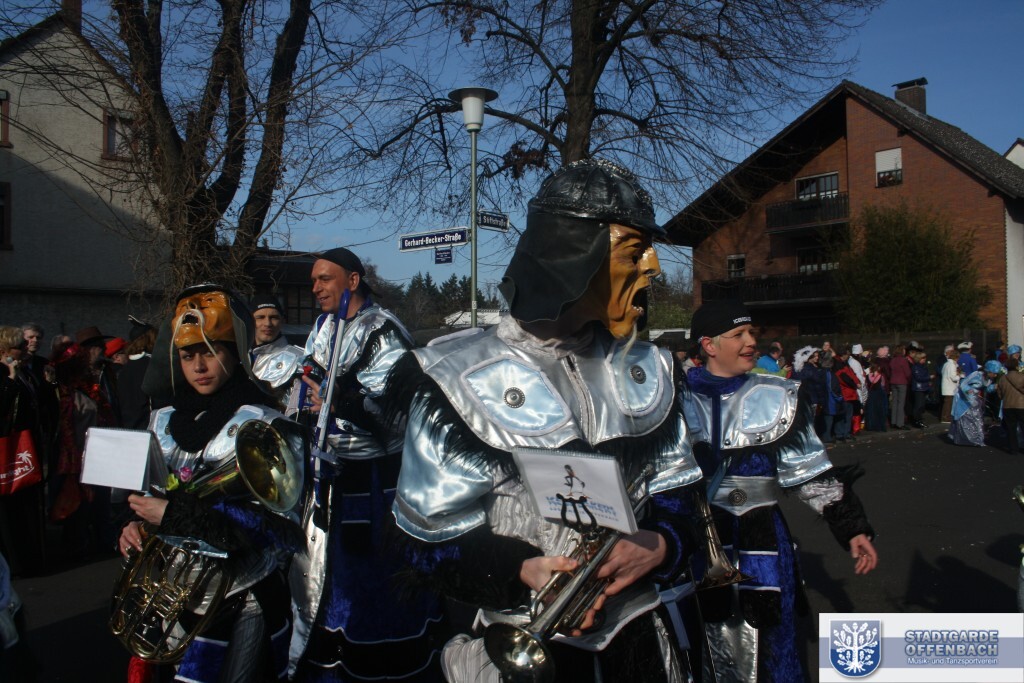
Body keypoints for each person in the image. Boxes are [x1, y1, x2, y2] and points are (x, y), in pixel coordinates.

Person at [385, 159, 703, 682]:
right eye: (633, 251)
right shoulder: (453, 377)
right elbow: (428, 539)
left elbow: (682, 500)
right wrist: (519, 570)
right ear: (572, 257)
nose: (652, 269)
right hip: (524, 652)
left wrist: (660, 544)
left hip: (641, 644)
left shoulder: (653, 369)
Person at [680, 300, 877, 683]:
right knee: (702, 641)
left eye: (751, 332)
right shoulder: (675, 399)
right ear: (708, 344)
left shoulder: (778, 397)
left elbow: (810, 472)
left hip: (764, 542)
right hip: (698, 543)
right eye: (738, 334)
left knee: (773, 644)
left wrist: (852, 527)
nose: (751, 341)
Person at [119, 284, 301, 681]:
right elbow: (152, 495)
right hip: (171, 596)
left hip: (243, 596)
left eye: (211, 352)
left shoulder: (264, 423)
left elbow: (280, 529)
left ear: (234, 353)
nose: (199, 366)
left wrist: (174, 515)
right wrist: (136, 525)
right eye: (188, 355)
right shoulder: (162, 420)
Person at [288, 248, 445, 682]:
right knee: (326, 578)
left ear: (353, 281)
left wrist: (340, 400)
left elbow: (399, 412)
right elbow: (308, 383)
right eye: (313, 280)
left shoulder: (383, 330)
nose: (315, 288)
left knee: (372, 578)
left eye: (325, 279)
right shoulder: (323, 326)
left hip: (375, 482)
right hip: (328, 474)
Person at [0, 326, 47, 577]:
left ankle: (31, 559)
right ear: (5, 350)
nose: (25, 349)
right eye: (19, 346)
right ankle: (16, 564)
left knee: (25, 504)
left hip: (25, 447)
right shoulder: (7, 374)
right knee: (10, 510)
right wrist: (9, 379)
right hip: (8, 449)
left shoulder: (24, 372)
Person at [249, 297, 304, 403]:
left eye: (274, 317)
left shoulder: (300, 359)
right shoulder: (238, 357)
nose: (267, 323)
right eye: (260, 317)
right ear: (250, 321)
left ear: (282, 320)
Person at [997, 359, 1024, 454]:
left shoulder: (1002, 378)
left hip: (1007, 406)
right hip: (1021, 405)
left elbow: (1000, 395)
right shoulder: (1022, 377)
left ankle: (1013, 449)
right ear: (1017, 366)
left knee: (1011, 428)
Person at [888, 344, 912, 430]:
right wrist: (909, 380)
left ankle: (893, 421)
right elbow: (908, 373)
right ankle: (900, 423)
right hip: (902, 382)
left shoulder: (892, 360)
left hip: (893, 382)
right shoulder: (903, 360)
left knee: (894, 402)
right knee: (901, 403)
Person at [909, 349, 932, 429]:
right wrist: (929, 377)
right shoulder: (916, 367)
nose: (925, 359)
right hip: (918, 388)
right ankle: (917, 421)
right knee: (918, 405)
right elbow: (919, 377)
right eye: (923, 358)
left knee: (921, 406)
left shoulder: (922, 366)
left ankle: (919, 420)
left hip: (923, 387)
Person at [863, 361, 888, 432]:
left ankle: (870, 426)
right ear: (878, 368)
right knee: (879, 411)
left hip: (871, 395)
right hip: (879, 395)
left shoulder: (867, 376)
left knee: (871, 411)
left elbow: (866, 386)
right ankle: (879, 426)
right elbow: (883, 385)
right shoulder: (881, 376)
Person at [940, 345, 960, 423]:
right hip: (950, 388)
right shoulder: (951, 365)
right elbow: (953, 377)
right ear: (955, 357)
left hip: (946, 387)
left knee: (947, 403)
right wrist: (959, 376)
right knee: (948, 404)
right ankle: (946, 418)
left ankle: (946, 417)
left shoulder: (946, 364)